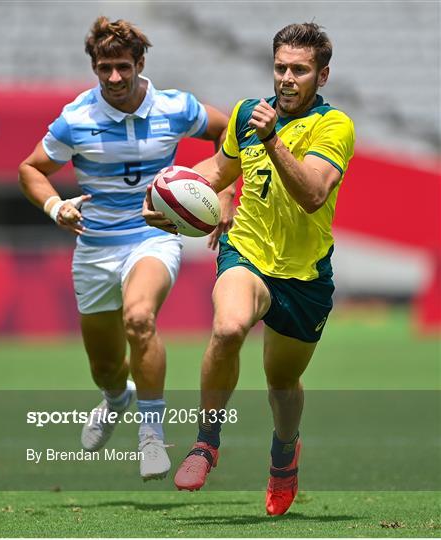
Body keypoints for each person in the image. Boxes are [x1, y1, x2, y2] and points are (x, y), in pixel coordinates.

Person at [144, 22, 355, 512]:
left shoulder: (334, 126)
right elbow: (217, 172)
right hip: (247, 253)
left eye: (299, 70)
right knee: (228, 327)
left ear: (322, 76)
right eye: (280, 67)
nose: (286, 77)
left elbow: (313, 195)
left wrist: (275, 138)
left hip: (304, 278)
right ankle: (205, 443)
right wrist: (162, 196)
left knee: (282, 384)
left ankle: (284, 455)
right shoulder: (246, 115)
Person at [18, 16, 229, 481]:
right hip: (94, 248)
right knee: (107, 368)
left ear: (140, 64)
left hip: (152, 237)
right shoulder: (76, 119)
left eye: (122, 67)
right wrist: (56, 207)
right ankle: (117, 398)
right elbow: (30, 169)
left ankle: (151, 435)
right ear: (94, 67)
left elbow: (227, 132)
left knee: (140, 318)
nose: (114, 78)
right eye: (104, 68)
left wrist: (223, 193)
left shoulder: (176, 107)